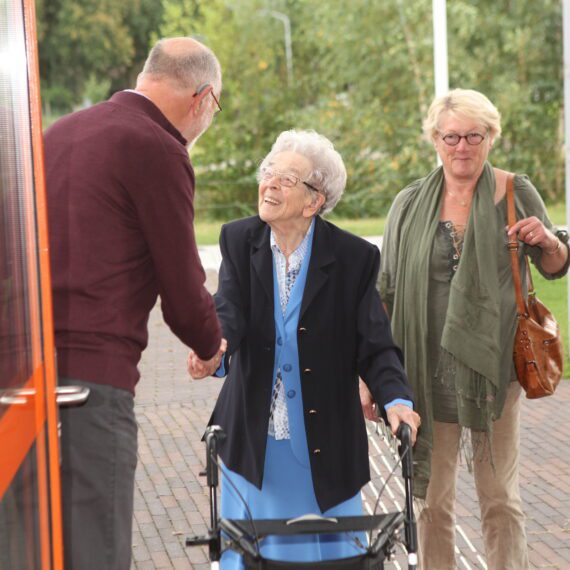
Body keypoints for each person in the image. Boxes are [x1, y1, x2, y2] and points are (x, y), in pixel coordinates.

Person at [188, 130, 420, 568]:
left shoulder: (352, 258)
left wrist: (397, 400)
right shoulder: (239, 240)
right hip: (254, 445)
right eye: (268, 173)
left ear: (315, 200)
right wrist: (213, 347)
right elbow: (229, 308)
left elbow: (376, 345)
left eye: (287, 179)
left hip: (325, 448)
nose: (270, 184)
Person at [360, 88, 569, 570]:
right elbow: (384, 292)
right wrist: (370, 374)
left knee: (500, 500)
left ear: (490, 137)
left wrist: (547, 240)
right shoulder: (409, 203)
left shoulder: (515, 192)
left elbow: (557, 264)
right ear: (434, 139)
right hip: (424, 373)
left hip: (494, 372)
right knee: (433, 503)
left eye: (474, 135)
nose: (462, 147)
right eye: (451, 136)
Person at [44, 37, 227, 570]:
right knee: (96, 551)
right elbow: (183, 290)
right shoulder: (157, 146)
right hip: (89, 389)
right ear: (203, 98)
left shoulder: (57, 134)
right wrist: (212, 342)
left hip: (19, 379)